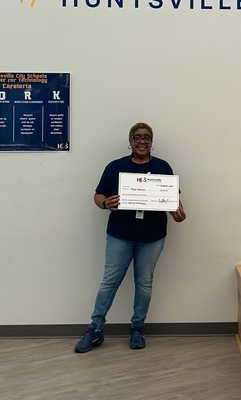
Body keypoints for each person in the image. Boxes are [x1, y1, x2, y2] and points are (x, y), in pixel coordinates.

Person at [75, 122, 186, 353]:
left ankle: (137, 328)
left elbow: (172, 198)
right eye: (137, 137)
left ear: (152, 142)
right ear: (130, 141)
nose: (142, 141)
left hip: (152, 237)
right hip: (120, 236)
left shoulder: (163, 167)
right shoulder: (115, 167)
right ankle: (94, 330)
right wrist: (105, 203)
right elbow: (98, 195)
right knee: (109, 283)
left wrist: (178, 213)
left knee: (144, 284)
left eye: (146, 137)